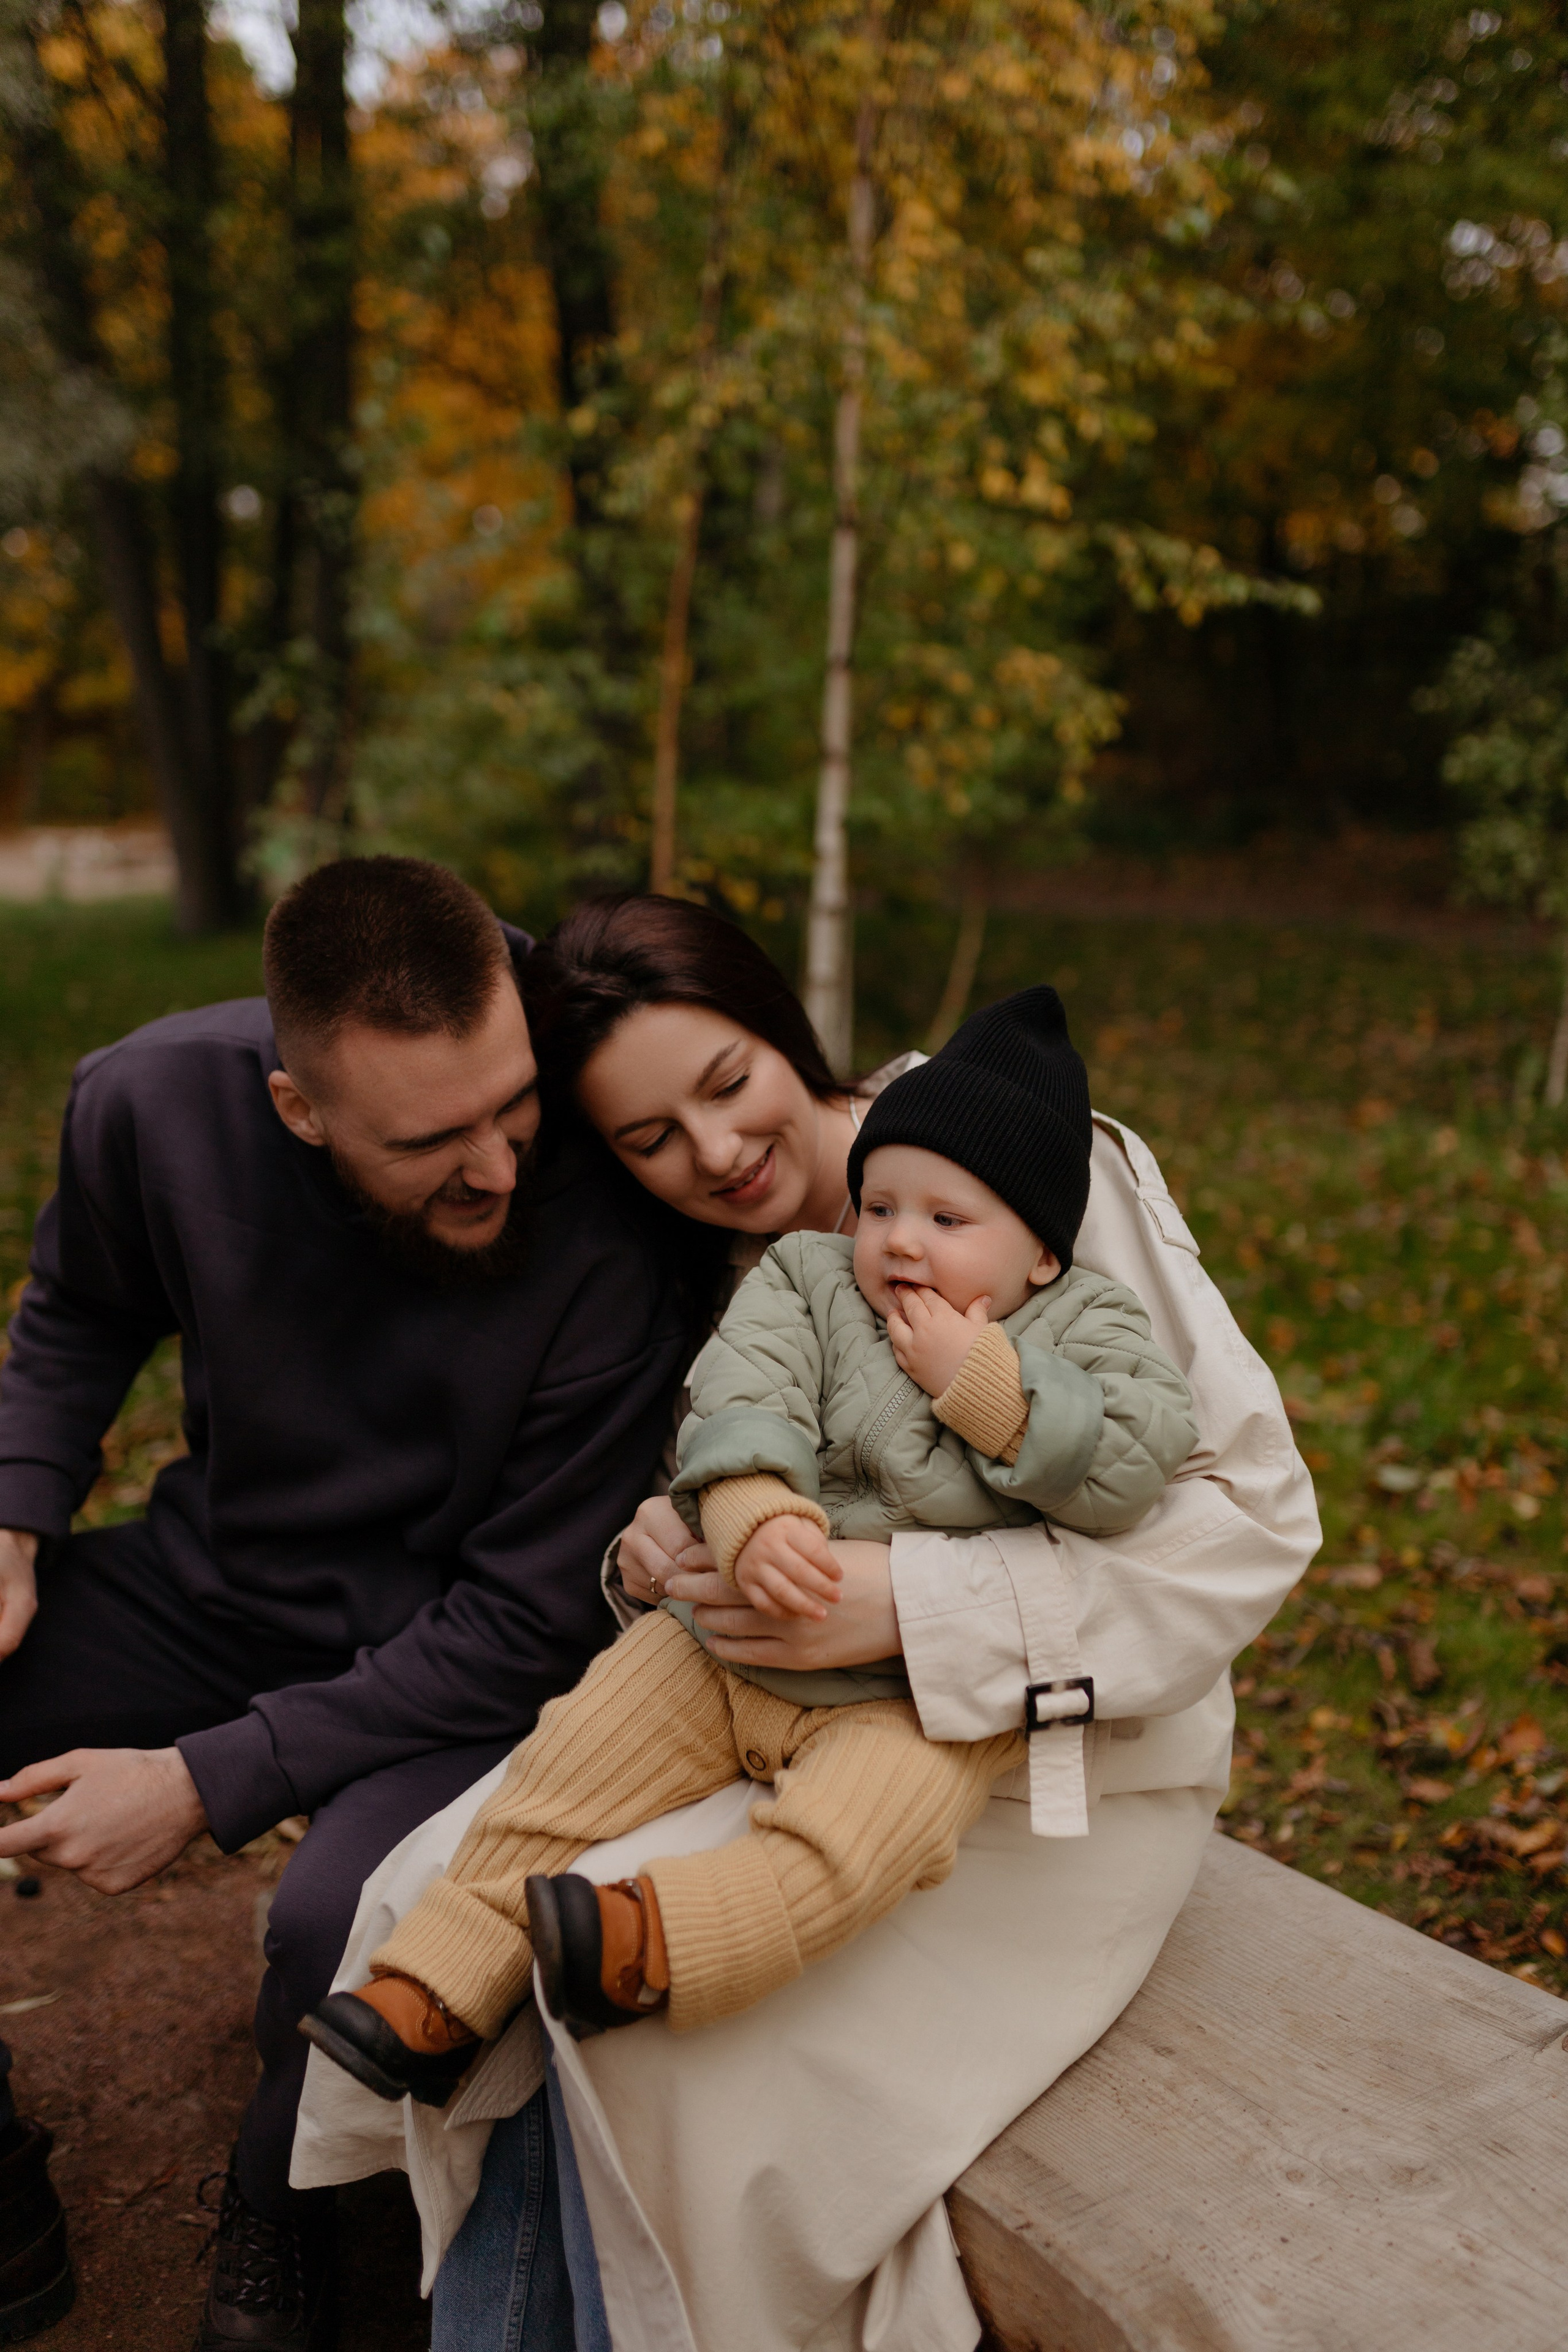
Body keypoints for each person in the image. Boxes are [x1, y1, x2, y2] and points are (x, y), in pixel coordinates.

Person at [289, 894, 1320, 2352]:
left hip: (1045, 1757)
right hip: (757, 1703)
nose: (714, 1153)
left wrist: (906, 1605)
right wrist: (661, 1547)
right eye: (651, 1139)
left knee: (649, 2036)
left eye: (727, 1083)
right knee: (477, 1895)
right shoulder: (747, 1260)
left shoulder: (1013, 1153)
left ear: (782, 1028)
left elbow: (1250, 1519)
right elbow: (727, 1455)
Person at [0, 859, 690, 2352]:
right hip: (223, 1582)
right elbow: (81, 1309)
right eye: (429, 1141)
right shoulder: (147, 1102)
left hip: (467, 1658)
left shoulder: (610, 1191)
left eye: (511, 1106)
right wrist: (15, 1512)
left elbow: (525, 1623)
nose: (497, 1167)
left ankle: (282, 2213)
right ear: (297, 1109)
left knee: (337, 1923)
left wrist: (204, 1781)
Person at [303, 985, 1196, 2073]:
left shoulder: (1090, 1322)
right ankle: (434, 1983)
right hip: (725, 1637)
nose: (901, 1242)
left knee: (861, 1839)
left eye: (947, 1220)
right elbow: (744, 1392)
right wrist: (750, 1511)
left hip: (918, 1699)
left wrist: (986, 1385)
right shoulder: (809, 1277)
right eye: (881, 1206)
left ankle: (652, 1944)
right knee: (566, 1768)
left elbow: (1135, 1463)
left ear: (1042, 1253)